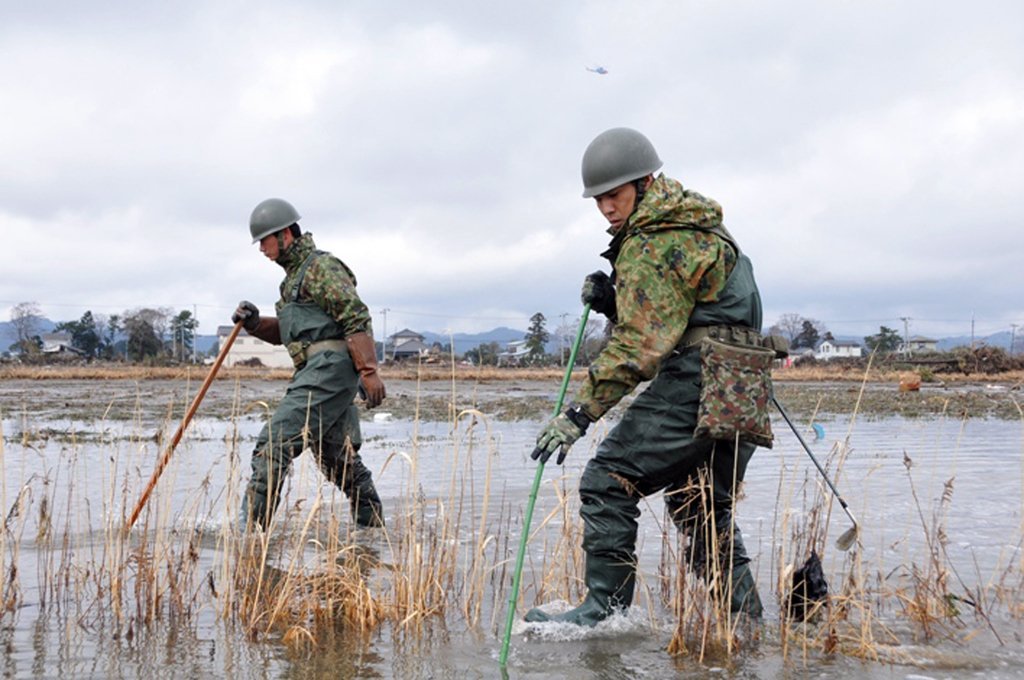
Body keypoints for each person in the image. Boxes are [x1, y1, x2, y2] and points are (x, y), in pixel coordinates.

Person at [525, 128, 768, 626]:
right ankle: (747, 625)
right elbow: (680, 317)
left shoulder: (652, 241)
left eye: (614, 195)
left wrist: (579, 414)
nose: (606, 209)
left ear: (645, 182)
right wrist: (614, 302)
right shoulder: (698, 224)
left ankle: (603, 616)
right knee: (699, 506)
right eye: (598, 200)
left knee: (607, 481)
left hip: (700, 379)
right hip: (743, 386)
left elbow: (639, 346)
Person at [232, 197, 386, 531]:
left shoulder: (320, 267)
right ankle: (372, 529)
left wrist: (369, 371)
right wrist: (255, 324)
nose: (262, 249)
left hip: (330, 369)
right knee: (336, 458)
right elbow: (290, 334)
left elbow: (355, 315)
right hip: (319, 371)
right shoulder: (291, 281)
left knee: (275, 441)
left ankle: (249, 535)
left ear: (285, 234)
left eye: (264, 241)